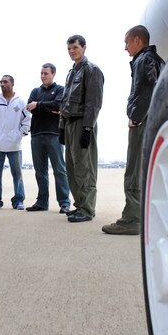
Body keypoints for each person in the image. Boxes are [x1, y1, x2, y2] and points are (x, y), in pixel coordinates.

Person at [102, 25, 165, 235]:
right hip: (155, 120)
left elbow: (145, 90)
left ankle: (132, 219)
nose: (125, 47)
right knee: (146, 169)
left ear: (137, 40)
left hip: (143, 122)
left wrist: (136, 117)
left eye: (127, 42)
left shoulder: (143, 60)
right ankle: (146, 216)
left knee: (134, 170)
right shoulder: (156, 59)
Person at [59, 35, 104, 223]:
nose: (71, 52)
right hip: (69, 124)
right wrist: (61, 127)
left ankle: (87, 209)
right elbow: (65, 102)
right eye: (69, 49)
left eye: (75, 48)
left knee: (85, 167)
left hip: (82, 123)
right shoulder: (71, 73)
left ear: (84, 48)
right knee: (71, 167)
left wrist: (87, 128)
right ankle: (79, 204)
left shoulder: (92, 70)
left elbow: (94, 103)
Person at [26, 63, 70, 213]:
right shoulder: (35, 91)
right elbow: (29, 108)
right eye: (41, 73)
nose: (43, 76)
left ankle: (64, 202)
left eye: (46, 73)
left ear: (53, 74)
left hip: (54, 134)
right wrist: (47, 108)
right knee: (40, 171)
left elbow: (58, 105)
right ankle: (42, 202)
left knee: (59, 170)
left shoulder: (60, 90)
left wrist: (38, 105)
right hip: (36, 134)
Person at [0, 75, 31, 210]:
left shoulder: (20, 102)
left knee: (17, 175)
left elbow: (27, 121)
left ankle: (18, 200)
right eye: (1, 82)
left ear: (12, 84)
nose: (2, 84)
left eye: (5, 82)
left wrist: (19, 135)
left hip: (14, 145)